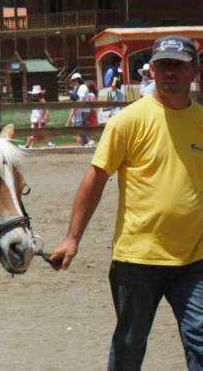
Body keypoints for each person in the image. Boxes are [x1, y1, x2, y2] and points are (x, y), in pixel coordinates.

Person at [50, 35, 203, 370]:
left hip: (194, 259)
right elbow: (96, 177)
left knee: (201, 338)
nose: (170, 72)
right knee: (130, 346)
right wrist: (72, 238)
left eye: (178, 65)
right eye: (163, 65)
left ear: (194, 70)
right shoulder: (129, 120)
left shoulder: (201, 122)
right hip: (138, 258)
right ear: (152, 71)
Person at [65, 72, 90, 146]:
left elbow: (80, 101)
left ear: (76, 80)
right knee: (80, 131)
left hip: (81, 112)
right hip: (80, 112)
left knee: (77, 131)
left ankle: (81, 146)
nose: (72, 83)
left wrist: (70, 118)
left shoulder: (82, 88)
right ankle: (86, 144)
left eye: (73, 81)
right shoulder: (79, 88)